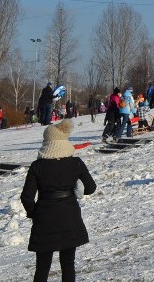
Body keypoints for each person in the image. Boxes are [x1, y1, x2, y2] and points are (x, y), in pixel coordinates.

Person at [21, 118, 96, 282]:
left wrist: (34, 213)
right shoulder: (75, 162)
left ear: (47, 142)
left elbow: (26, 197)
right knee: (68, 264)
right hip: (70, 217)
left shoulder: (37, 166)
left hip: (45, 219)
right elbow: (91, 187)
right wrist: (77, 188)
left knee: (42, 267)